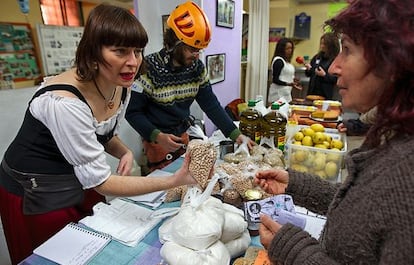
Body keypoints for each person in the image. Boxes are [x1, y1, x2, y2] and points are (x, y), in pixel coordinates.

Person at [0, 5, 196, 265]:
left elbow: (99, 133)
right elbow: (101, 181)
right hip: (36, 190)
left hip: (77, 178)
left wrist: (124, 150)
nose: (133, 62)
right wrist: (174, 180)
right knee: (58, 255)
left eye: (137, 51)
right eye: (120, 51)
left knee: (95, 239)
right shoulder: (64, 102)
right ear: (93, 53)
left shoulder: (120, 85)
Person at [254, 0, 414, 263]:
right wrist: (296, 185)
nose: (333, 67)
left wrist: (292, 249)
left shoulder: (407, 179)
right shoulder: (390, 136)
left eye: (347, 50)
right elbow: (363, 209)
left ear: (393, 62)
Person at [126, 1, 253, 173]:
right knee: (164, 185)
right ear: (174, 43)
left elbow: (211, 105)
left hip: (183, 133)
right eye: (192, 49)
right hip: (157, 140)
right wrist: (157, 136)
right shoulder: (148, 68)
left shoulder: (197, 68)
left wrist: (235, 134)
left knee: (186, 180)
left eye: (199, 50)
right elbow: (132, 112)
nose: (197, 54)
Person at [304, 32, 340, 99]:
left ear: (331, 45)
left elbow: (336, 79)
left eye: (325, 44)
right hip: (312, 93)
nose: (322, 46)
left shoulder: (335, 60)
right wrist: (309, 69)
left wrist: (324, 75)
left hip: (325, 94)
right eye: (321, 43)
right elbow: (309, 74)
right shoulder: (317, 57)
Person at [266, 38, 302, 105]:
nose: (290, 51)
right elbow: (275, 80)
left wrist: (293, 80)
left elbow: (285, 76)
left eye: (291, 48)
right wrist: (289, 84)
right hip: (277, 96)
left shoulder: (287, 62)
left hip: (286, 94)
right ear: (281, 49)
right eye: (287, 49)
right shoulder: (278, 61)